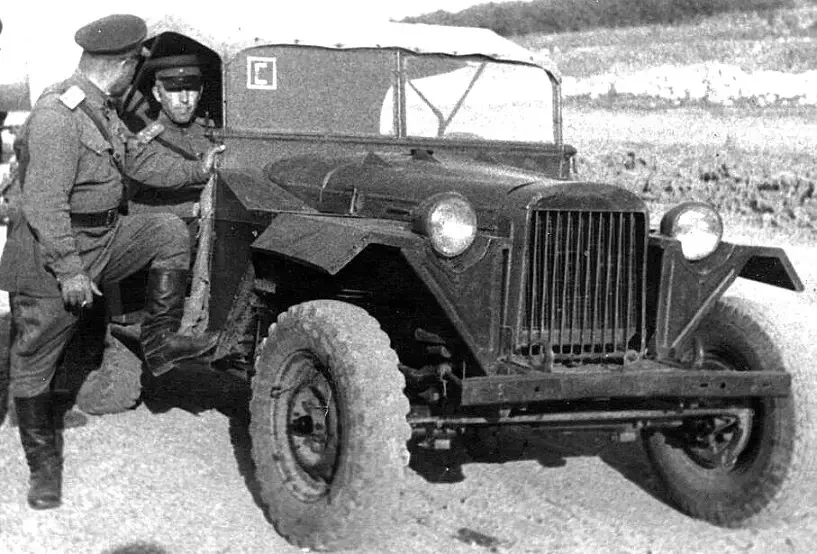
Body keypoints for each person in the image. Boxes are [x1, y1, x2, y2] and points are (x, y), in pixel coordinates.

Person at [0, 14, 224, 510]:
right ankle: (43, 472)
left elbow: (137, 161)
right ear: (122, 66)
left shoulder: (101, 107)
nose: (134, 79)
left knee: (165, 230)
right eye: (134, 69)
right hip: (53, 250)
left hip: (104, 235)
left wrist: (197, 169)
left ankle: (160, 342)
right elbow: (43, 204)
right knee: (34, 359)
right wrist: (71, 271)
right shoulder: (60, 115)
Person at [128, 54, 217, 228]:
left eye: (191, 88)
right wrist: (191, 209)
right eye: (174, 90)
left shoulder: (212, 133)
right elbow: (133, 207)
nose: (184, 99)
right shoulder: (146, 144)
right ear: (157, 94)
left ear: (201, 91)